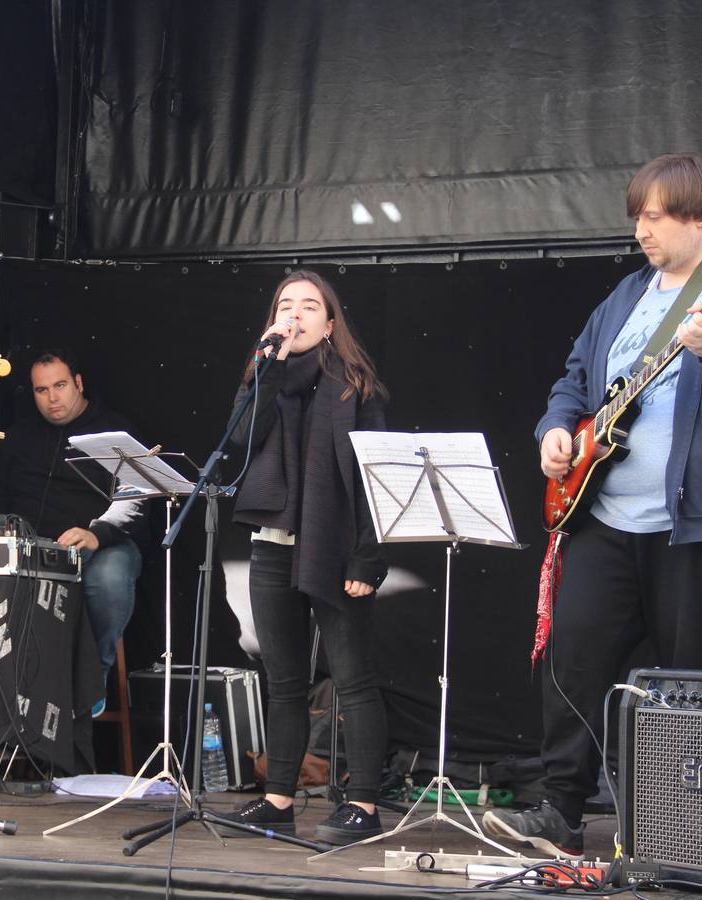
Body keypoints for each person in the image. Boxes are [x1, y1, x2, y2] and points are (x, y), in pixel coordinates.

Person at [483, 154, 702, 857]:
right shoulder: (624, 295)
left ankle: (695, 832)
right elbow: (574, 380)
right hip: (604, 516)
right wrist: (554, 431)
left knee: (692, 687)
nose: (640, 231)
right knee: (572, 662)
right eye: (636, 218)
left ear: (698, 216)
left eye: (652, 216)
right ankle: (558, 812)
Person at [218, 269, 391, 846]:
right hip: (273, 543)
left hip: (336, 547)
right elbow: (241, 444)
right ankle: (278, 800)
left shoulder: (355, 387)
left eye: (309, 306)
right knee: (284, 681)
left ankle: (363, 801)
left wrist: (367, 560)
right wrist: (267, 366)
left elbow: (375, 484)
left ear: (330, 322)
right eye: (285, 305)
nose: (295, 314)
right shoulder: (262, 378)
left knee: (354, 679)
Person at [0, 348, 147, 717]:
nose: (53, 398)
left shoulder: (115, 429)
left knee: (110, 577)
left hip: (102, 544)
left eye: (60, 385)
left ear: (79, 383)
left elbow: (138, 501)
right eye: (42, 390)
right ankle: (9, 690)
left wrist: (97, 533)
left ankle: (91, 679)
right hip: (34, 548)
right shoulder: (19, 434)